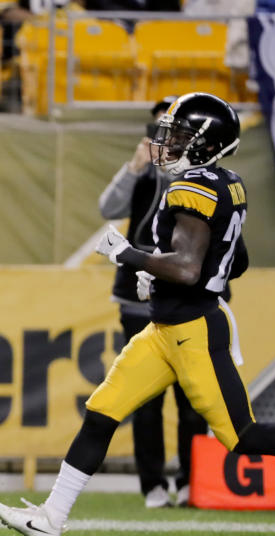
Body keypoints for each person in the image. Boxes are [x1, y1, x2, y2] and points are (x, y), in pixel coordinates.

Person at [0, 92, 275, 536]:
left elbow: (188, 267)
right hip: (166, 329)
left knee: (242, 437)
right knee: (102, 412)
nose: (168, 142)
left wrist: (131, 256)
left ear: (204, 143)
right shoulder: (225, 181)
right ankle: (51, 518)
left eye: (179, 135)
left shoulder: (192, 187)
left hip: (192, 333)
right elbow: (234, 261)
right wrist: (157, 275)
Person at [99, 95, 209, 509]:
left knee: (194, 397)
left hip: (188, 298)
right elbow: (107, 208)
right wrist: (135, 167)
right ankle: (153, 485)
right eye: (161, 129)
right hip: (138, 299)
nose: (166, 138)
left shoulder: (206, 176)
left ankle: (192, 481)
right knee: (145, 398)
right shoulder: (145, 172)